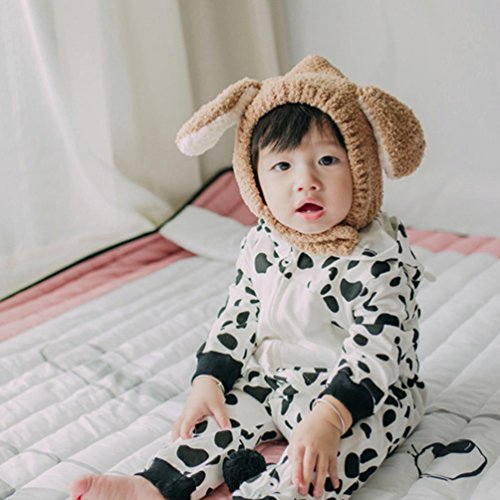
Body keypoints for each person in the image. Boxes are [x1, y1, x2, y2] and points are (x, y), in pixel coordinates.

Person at [70, 55, 428, 500]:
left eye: (327, 160)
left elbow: (377, 350)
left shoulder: (380, 258)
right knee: (216, 421)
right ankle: (154, 487)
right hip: (272, 377)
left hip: (359, 393)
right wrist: (210, 379)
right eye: (283, 166)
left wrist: (330, 416)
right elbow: (239, 314)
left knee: (330, 459)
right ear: (253, 178)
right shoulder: (262, 243)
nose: (306, 181)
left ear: (362, 168)